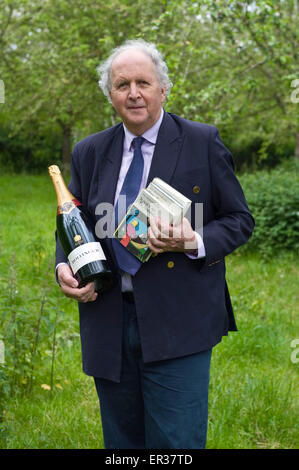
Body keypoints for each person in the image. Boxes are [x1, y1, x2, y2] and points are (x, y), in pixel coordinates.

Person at [55, 39, 254, 449]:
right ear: (110, 94)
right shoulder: (89, 151)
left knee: (175, 446)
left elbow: (239, 220)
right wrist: (64, 266)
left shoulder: (202, 141)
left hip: (179, 321)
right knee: (122, 444)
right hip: (108, 321)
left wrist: (194, 240)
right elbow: (73, 224)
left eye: (143, 82)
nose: (133, 93)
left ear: (163, 88)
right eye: (121, 84)